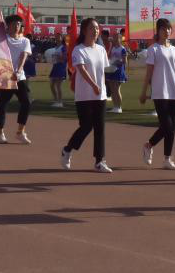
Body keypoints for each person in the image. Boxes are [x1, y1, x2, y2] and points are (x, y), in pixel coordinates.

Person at [61, 17, 112, 173]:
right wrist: (94, 85)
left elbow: (103, 71)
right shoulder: (79, 50)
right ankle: (68, 149)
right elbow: (81, 70)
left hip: (100, 95)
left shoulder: (101, 49)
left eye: (96, 28)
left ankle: (99, 161)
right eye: (91, 28)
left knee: (100, 128)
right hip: (84, 95)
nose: (95, 31)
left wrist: (103, 88)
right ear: (84, 31)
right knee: (86, 126)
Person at [140, 18, 175, 170]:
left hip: (174, 92)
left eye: (168, 28)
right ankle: (149, 145)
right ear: (158, 31)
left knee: (172, 128)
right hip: (160, 92)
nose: (166, 31)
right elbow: (149, 73)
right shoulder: (153, 49)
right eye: (163, 29)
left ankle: (167, 159)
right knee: (167, 125)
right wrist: (143, 92)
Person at [0, 14, 33, 145]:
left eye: (18, 24)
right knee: (2, 105)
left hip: (19, 77)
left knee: (27, 102)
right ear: (8, 26)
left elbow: (24, 55)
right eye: (14, 24)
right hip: (5, 77)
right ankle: (0, 134)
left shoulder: (25, 41)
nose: (17, 26)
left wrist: (19, 70)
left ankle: (20, 132)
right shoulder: (2, 39)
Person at [105, 32, 128, 114]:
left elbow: (125, 61)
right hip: (112, 70)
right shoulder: (113, 48)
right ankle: (115, 106)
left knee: (117, 89)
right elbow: (110, 57)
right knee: (112, 89)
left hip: (119, 71)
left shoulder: (122, 49)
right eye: (114, 37)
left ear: (120, 39)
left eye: (116, 38)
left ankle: (119, 107)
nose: (114, 39)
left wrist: (118, 61)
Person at [47, 38, 67, 108]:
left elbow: (64, 58)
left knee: (58, 85)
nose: (57, 37)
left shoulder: (64, 47)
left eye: (59, 36)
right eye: (56, 36)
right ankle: (56, 100)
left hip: (61, 66)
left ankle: (60, 102)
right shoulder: (55, 48)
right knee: (52, 85)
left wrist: (57, 57)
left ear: (62, 39)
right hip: (55, 66)